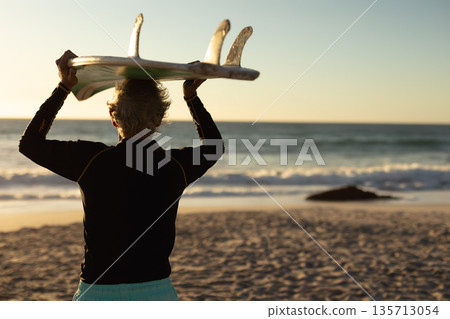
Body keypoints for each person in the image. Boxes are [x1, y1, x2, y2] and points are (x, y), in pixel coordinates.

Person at [19, 50, 224, 300]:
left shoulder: (91, 161)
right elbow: (214, 147)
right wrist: (191, 96)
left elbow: (29, 144)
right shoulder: (175, 166)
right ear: (159, 119)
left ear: (113, 118)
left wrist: (63, 87)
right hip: (156, 293)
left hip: (98, 293)